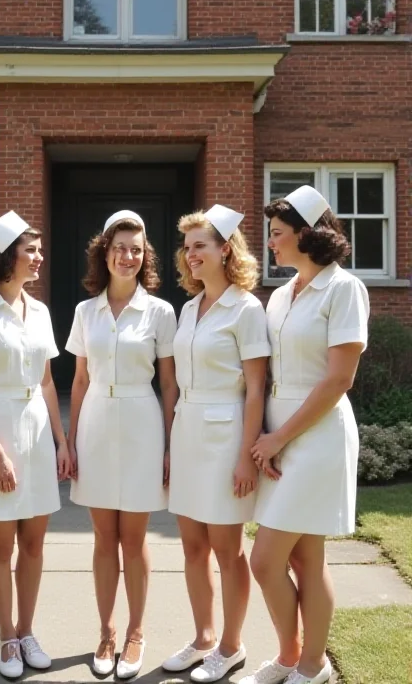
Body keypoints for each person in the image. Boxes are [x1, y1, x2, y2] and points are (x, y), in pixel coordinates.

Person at [240, 186, 370, 684]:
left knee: (265, 559)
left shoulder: (345, 289)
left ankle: (307, 661)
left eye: (276, 234)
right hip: (281, 431)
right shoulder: (280, 294)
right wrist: (268, 436)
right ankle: (299, 661)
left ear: (307, 234)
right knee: (304, 557)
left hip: (317, 435)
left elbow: (339, 379)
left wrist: (280, 438)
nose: (270, 244)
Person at [0, 210, 69, 680]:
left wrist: (62, 443)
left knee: (35, 543)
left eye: (39, 250)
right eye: (31, 250)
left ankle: (26, 630)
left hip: (38, 429)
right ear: (7, 256)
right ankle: (5, 636)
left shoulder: (39, 311)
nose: (39, 258)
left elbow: (46, 382)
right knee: (1, 545)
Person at [66, 210, 178, 679]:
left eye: (136, 249)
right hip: (95, 422)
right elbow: (78, 382)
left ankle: (135, 633)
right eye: (119, 248)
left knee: (133, 538)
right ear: (104, 253)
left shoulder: (160, 312)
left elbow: (169, 386)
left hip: (141, 423)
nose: (127, 256)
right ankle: (106, 633)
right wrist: (70, 442)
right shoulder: (84, 311)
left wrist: (170, 445)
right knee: (102, 537)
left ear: (144, 255)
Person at [163, 205, 271, 683]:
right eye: (187, 249)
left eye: (200, 246)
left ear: (226, 249)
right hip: (187, 430)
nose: (191, 256)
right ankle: (204, 637)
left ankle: (231, 645)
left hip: (226, 434)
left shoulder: (246, 308)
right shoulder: (189, 307)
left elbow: (255, 388)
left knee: (229, 550)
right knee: (191, 547)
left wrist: (247, 457)